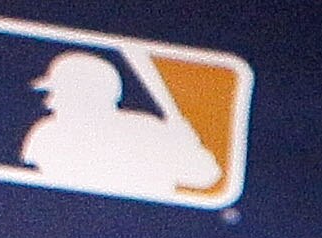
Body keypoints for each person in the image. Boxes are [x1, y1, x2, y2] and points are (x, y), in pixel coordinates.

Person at [16, 47, 214, 196]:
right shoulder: (48, 133)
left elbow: (205, 176)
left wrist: (186, 145)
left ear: (89, 95)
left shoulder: (148, 131)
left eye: (59, 93)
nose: (50, 102)